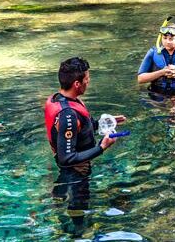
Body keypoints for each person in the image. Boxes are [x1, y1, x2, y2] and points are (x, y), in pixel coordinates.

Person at [44, 57, 126, 236]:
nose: (88, 82)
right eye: (87, 79)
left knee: (61, 193)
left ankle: (58, 205)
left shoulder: (61, 99)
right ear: (76, 83)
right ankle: (78, 234)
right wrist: (101, 147)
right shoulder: (68, 115)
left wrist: (104, 122)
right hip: (76, 171)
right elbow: (67, 159)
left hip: (70, 168)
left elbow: (79, 129)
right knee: (78, 209)